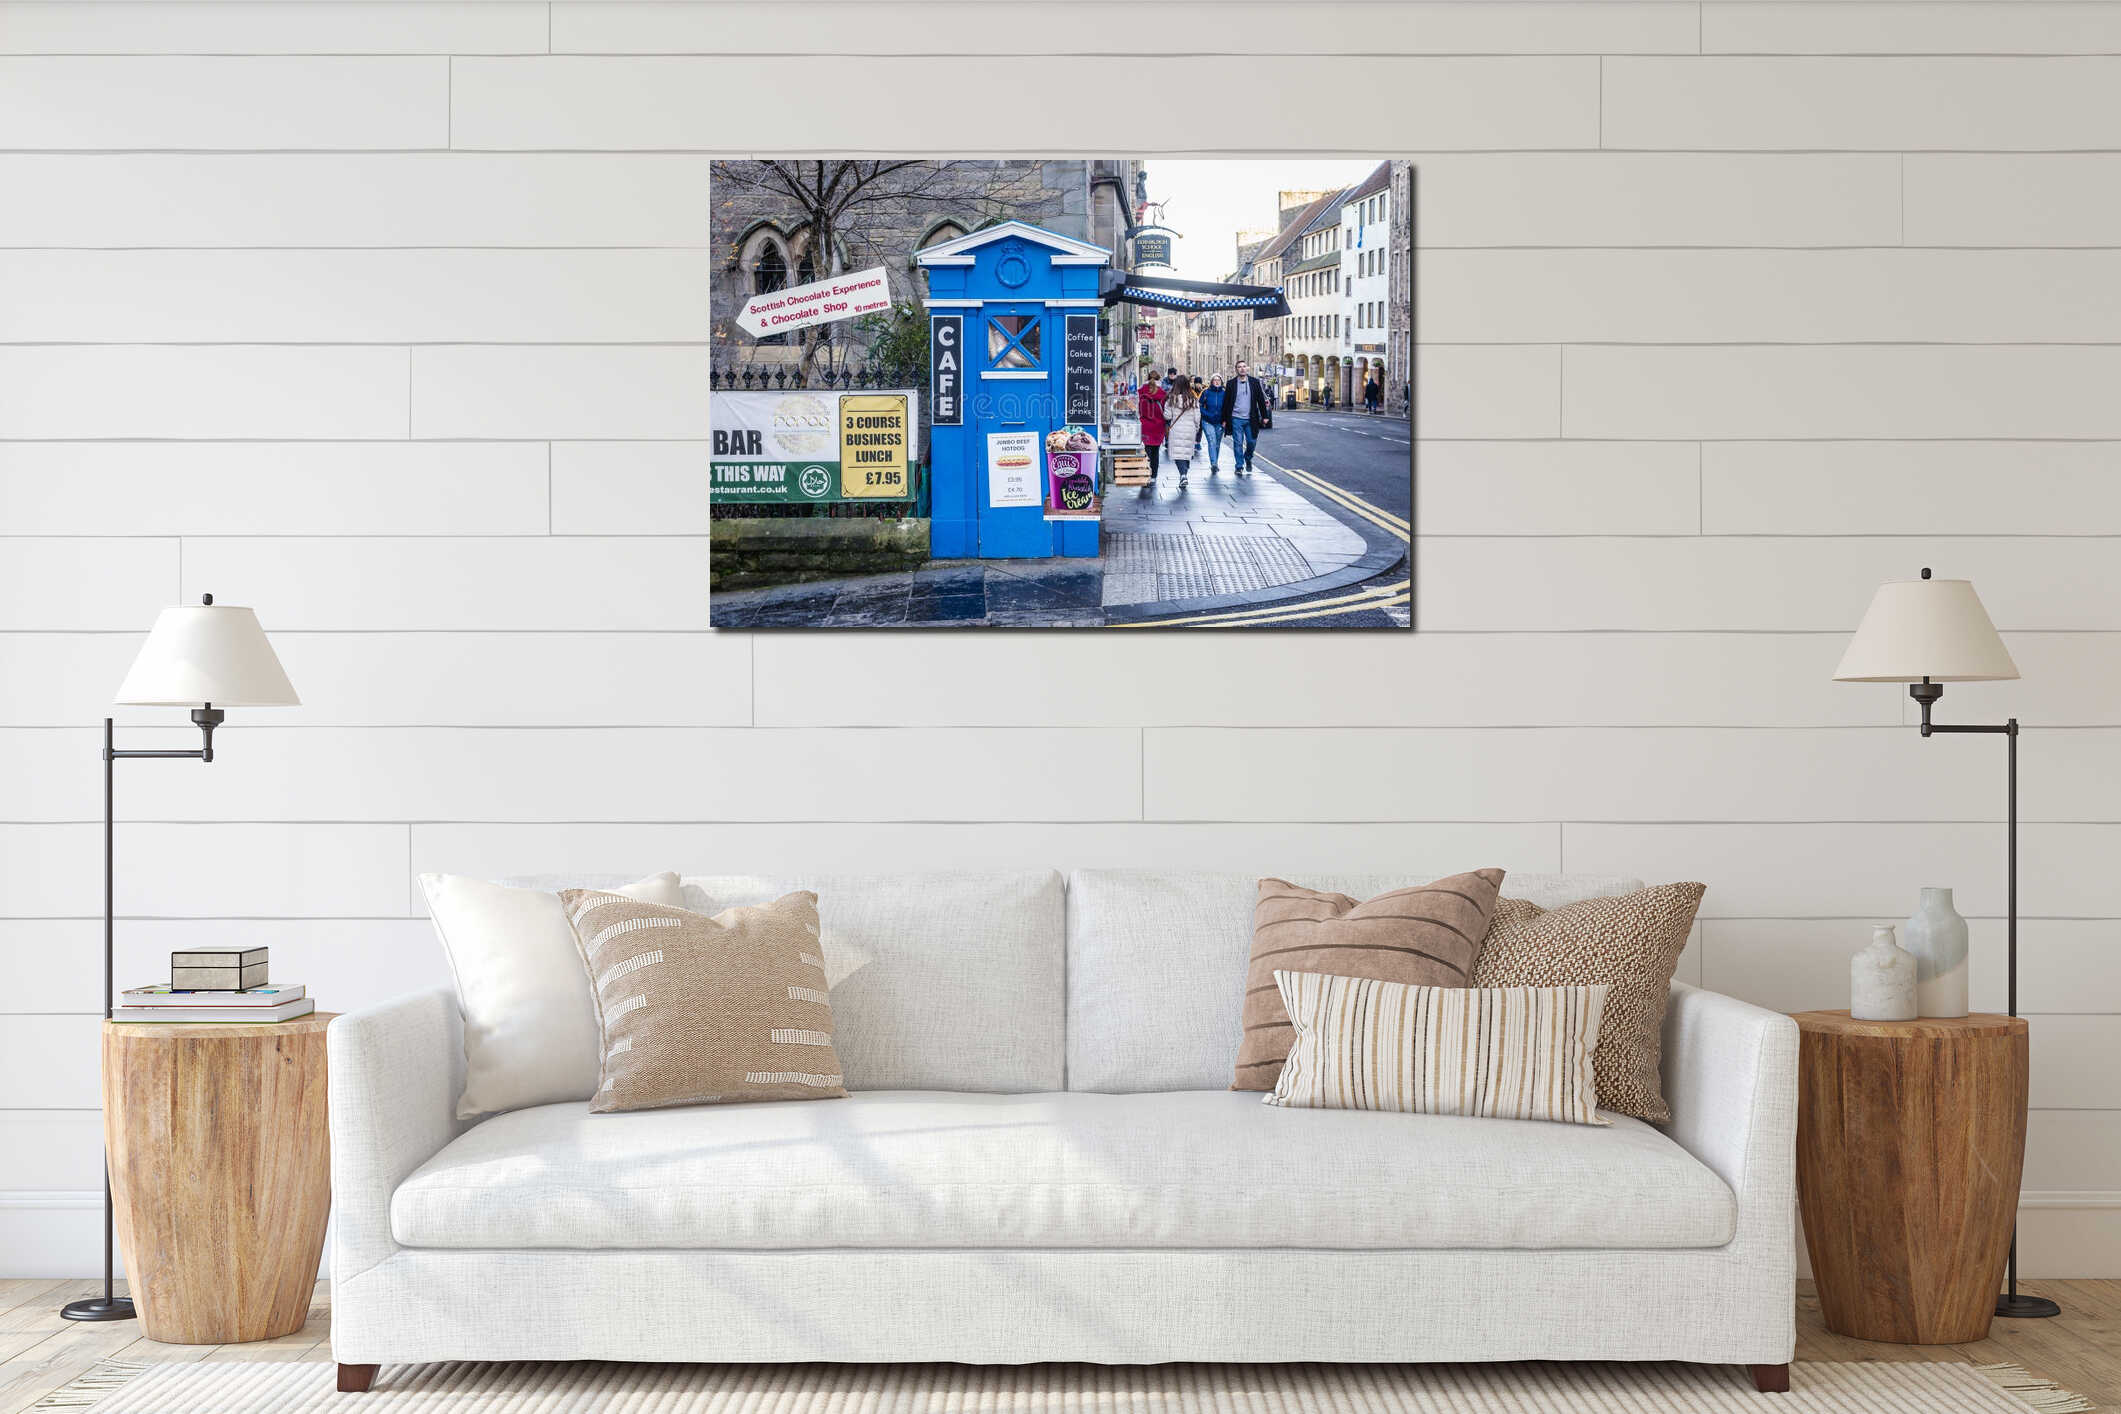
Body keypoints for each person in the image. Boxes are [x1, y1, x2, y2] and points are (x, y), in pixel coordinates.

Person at [1216, 359, 1272, 477]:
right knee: (1238, 443)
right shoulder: (1231, 383)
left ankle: (1248, 457)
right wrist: (1224, 420)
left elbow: (1260, 400)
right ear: (1236, 370)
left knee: (1251, 442)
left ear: (1247, 369)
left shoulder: (1254, 382)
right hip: (1236, 418)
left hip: (1251, 418)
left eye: (1244, 366)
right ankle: (1239, 466)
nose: (1242, 368)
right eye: (1239, 367)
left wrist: (1265, 416)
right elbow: (1226, 403)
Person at [1164, 376, 1201, 488]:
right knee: (1186, 452)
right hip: (1190, 429)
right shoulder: (1193, 399)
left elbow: (1167, 416)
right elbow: (1197, 417)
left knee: (1178, 453)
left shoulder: (1171, 399)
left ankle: (1183, 475)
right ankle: (1184, 474)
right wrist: (1196, 428)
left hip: (1176, 429)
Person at [1137, 373, 1168, 484]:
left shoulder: (1140, 391)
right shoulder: (1163, 394)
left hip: (1145, 425)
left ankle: (1145, 474)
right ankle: (1154, 476)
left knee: (1146, 452)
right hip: (1158, 427)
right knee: (1155, 452)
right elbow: (1167, 412)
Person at [1198, 375, 1227, 474]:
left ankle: (1215, 462)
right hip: (1207, 421)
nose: (1217, 382)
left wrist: (1225, 420)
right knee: (1212, 441)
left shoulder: (1225, 393)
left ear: (1221, 382)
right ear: (1211, 382)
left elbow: (1228, 408)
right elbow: (1199, 406)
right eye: (1215, 380)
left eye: (1219, 380)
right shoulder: (1206, 392)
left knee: (1217, 444)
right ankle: (1214, 464)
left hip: (1220, 422)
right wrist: (1207, 414)